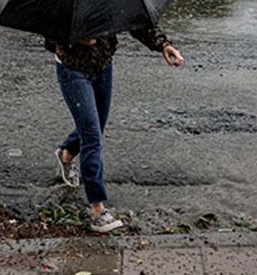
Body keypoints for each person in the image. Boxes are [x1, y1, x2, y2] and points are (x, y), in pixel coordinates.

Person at [46, 28, 184, 232]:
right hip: (72, 69)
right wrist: (75, 38)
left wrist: (163, 45)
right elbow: (49, 35)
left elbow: (134, 19)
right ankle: (97, 209)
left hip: (103, 66)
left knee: (96, 127)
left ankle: (66, 153)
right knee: (92, 137)